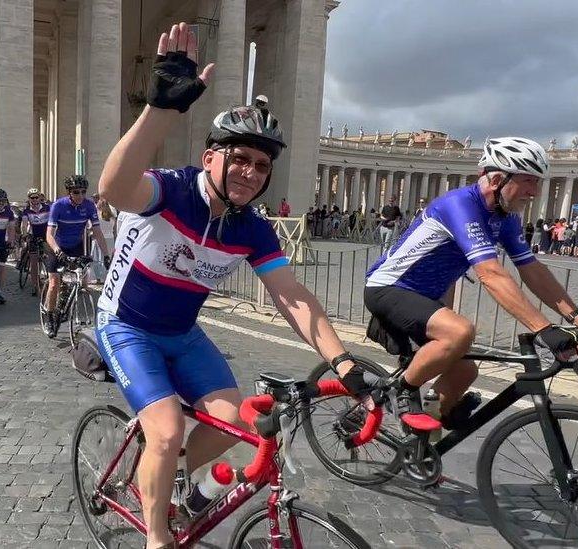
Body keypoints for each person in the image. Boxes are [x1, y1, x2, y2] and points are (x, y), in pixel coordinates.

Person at [94, 23, 368, 549]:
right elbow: (114, 187)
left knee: (233, 420)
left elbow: (291, 296)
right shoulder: (170, 190)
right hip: (126, 326)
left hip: (181, 332)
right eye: (239, 157)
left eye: (262, 165)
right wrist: (161, 110)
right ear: (210, 158)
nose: (250, 171)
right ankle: (156, 537)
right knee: (169, 430)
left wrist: (343, 361)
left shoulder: (252, 227)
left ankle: (153, 476)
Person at [364, 137, 578, 430]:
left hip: (425, 298)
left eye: (537, 182)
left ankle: (420, 441)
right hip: (388, 287)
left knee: (465, 371)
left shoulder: (505, 217)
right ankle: (397, 391)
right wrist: (544, 329)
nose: (534, 191)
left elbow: (533, 270)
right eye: (528, 181)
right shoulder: (459, 205)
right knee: (460, 332)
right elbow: (491, 274)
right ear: (496, 179)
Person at [43, 175, 110, 332]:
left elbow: (98, 232)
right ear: (69, 192)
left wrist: (106, 255)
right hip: (56, 247)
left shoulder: (89, 206)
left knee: (82, 282)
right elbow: (49, 235)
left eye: (83, 192)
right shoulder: (58, 206)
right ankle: (49, 315)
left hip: (76, 246)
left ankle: (66, 303)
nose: (80, 195)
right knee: (54, 283)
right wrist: (58, 251)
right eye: (76, 192)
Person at [21, 188, 51, 294]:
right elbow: (24, 224)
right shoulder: (27, 211)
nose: (34, 199)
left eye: (36, 197)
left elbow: (53, 221)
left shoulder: (47, 208)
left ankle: (52, 280)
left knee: (50, 258)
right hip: (34, 236)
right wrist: (24, 234)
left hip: (46, 236)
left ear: (39, 198)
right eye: (32, 198)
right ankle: (34, 285)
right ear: (29, 199)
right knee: (34, 262)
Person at [90, 192, 117, 284]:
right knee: (108, 258)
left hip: (99, 238)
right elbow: (114, 228)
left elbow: (92, 227)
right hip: (110, 238)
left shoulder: (97, 214)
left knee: (97, 258)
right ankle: (107, 277)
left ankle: (98, 278)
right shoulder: (112, 214)